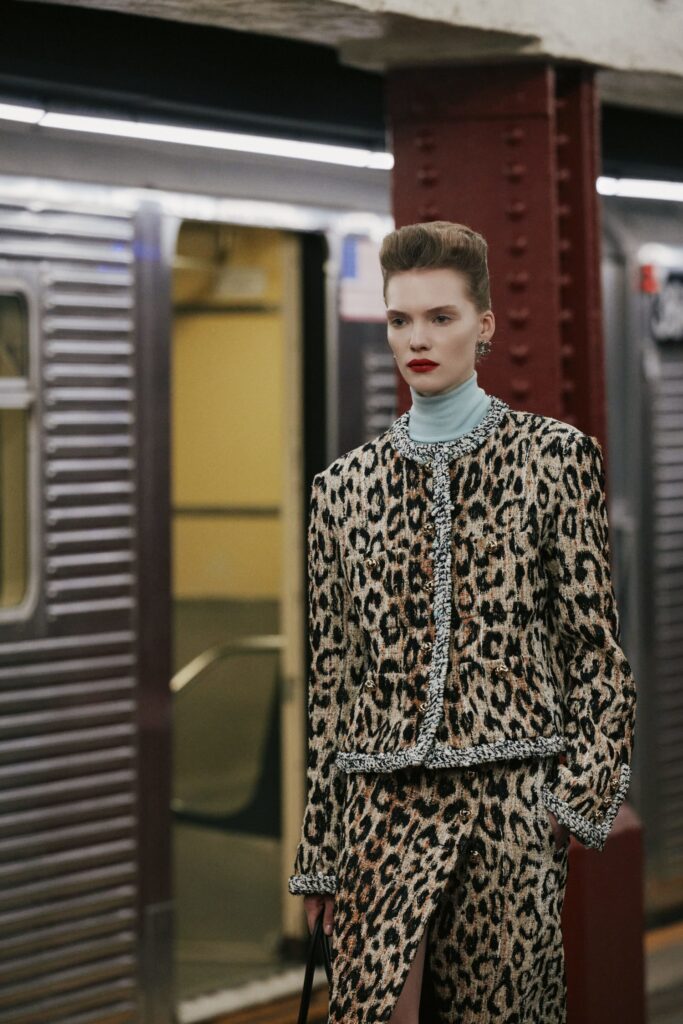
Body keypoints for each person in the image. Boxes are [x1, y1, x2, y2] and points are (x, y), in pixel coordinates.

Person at [288, 221, 637, 1024]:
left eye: (438, 317)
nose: (416, 339)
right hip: (379, 810)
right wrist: (320, 854)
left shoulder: (553, 459)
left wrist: (566, 807)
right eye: (399, 319)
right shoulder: (341, 490)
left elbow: (593, 651)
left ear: (483, 327)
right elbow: (334, 682)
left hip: (508, 807)